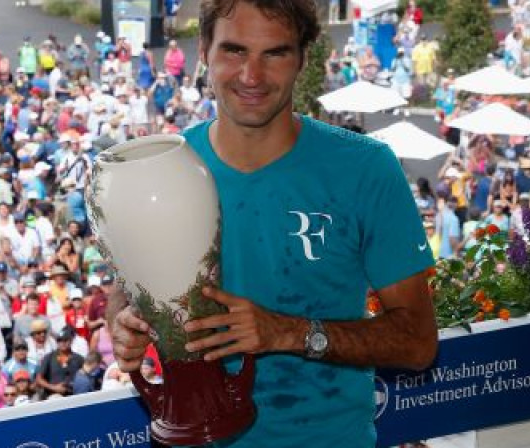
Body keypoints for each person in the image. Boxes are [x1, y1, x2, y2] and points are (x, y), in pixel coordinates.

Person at [112, 2, 437, 447]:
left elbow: (418, 343)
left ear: (303, 58)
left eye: (275, 53)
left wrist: (289, 332)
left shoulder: (365, 169)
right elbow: (123, 295)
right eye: (234, 51)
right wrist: (124, 325)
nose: (251, 75)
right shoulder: (162, 170)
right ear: (203, 51)